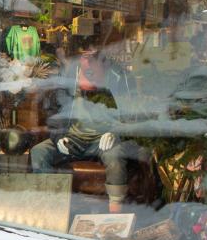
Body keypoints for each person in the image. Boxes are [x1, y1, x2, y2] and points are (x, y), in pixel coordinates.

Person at [30, 45, 148, 212]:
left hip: (103, 138)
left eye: (93, 54)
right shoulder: (68, 75)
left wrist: (116, 132)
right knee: (39, 151)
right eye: (84, 54)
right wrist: (59, 136)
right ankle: (50, 207)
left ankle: (115, 212)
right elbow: (54, 111)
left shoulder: (119, 76)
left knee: (115, 157)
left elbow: (130, 111)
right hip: (73, 138)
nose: (87, 58)